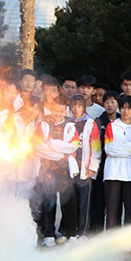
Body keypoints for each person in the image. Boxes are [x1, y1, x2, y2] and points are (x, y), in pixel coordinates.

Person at [33, 104, 80, 247]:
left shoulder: (71, 125)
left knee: (69, 202)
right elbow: (38, 146)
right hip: (47, 170)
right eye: (55, 110)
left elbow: (73, 146)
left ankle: (70, 232)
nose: (58, 113)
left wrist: (52, 144)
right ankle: (48, 234)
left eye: (61, 111)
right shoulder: (43, 124)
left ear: (65, 111)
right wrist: (60, 154)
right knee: (49, 202)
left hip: (66, 170)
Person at [103, 95, 131, 229]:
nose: (125, 112)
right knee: (112, 209)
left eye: (129, 109)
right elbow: (109, 149)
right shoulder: (111, 126)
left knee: (130, 208)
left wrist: (123, 148)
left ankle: (127, 239)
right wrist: (129, 148)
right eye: (123, 108)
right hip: (112, 172)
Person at [68, 95, 101, 239]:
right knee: (71, 202)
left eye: (79, 106)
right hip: (70, 169)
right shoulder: (67, 123)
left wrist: (92, 167)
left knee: (84, 203)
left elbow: (96, 147)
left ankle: (83, 231)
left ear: (84, 107)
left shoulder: (90, 123)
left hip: (85, 169)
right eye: (73, 106)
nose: (76, 109)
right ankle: (71, 231)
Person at [89, 90, 121, 232]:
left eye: (113, 102)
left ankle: (113, 232)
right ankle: (95, 231)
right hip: (101, 167)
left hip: (118, 168)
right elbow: (94, 145)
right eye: (106, 102)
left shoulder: (123, 121)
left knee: (115, 203)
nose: (109, 105)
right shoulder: (98, 121)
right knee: (98, 201)